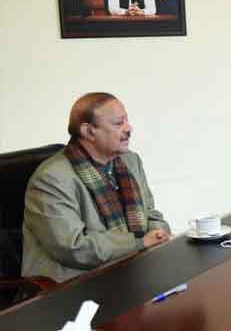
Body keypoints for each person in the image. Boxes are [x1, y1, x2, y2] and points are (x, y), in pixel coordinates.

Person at [22, 93, 171, 282]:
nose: (129, 128)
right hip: (71, 286)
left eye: (127, 120)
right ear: (88, 131)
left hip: (131, 270)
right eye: (118, 123)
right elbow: (74, 248)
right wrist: (140, 243)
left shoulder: (130, 161)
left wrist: (158, 233)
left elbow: (150, 213)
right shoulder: (51, 179)